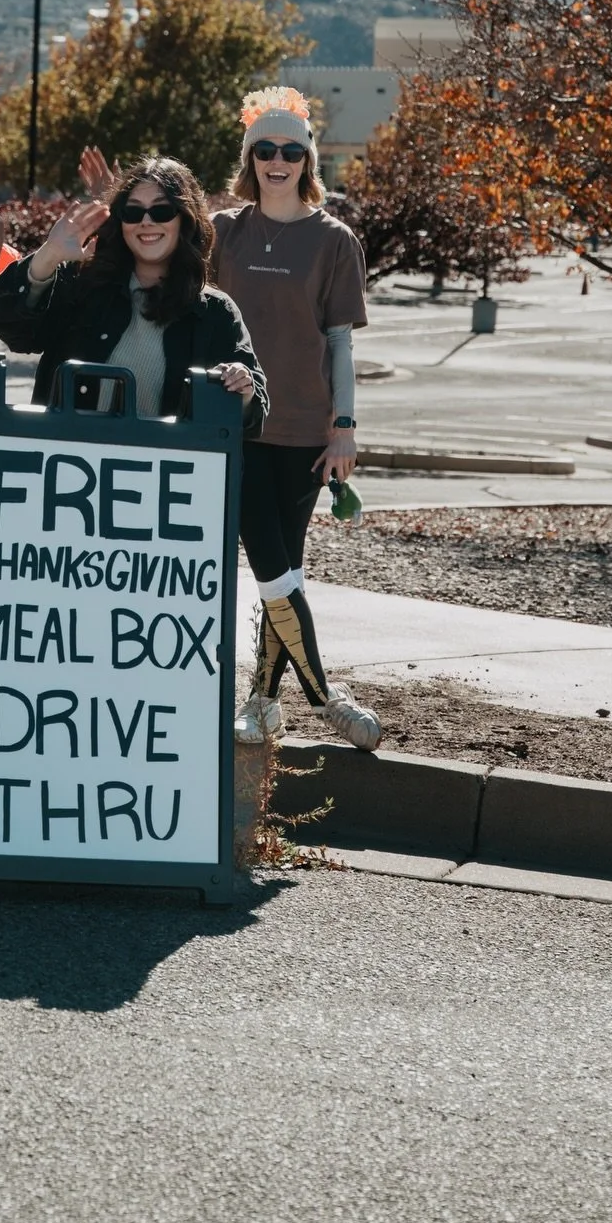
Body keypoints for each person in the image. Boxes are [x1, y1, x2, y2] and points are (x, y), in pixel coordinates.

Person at [212, 89, 382, 749]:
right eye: (265, 150)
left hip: (307, 432)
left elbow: (339, 341)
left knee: (283, 567)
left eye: (290, 151)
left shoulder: (334, 241)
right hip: (234, 429)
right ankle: (324, 698)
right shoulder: (223, 233)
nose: (277, 161)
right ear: (249, 158)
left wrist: (345, 425)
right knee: (273, 565)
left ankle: (263, 703)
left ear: (305, 159)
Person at [0, 155, 268, 432]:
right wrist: (49, 255)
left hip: (164, 477)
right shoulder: (81, 284)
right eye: (133, 212)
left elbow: (252, 414)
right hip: (65, 468)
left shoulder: (215, 312)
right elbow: (9, 325)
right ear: (120, 221)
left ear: (185, 219)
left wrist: (242, 390)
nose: (146, 222)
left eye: (161, 210)